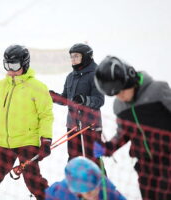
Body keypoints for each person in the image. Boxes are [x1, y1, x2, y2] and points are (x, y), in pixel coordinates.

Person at [0, 44, 54, 200]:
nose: (10, 69)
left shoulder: (38, 88)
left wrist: (46, 139)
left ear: (24, 64)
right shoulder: (0, 87)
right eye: (7, 64)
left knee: (34, 183)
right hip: (2, 142)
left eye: (14, 65)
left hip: (27, 142)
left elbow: (46, 116)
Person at [94, 55, 171, 200]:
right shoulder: (119, 106)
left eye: (121, 91)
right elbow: (124, 133)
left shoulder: (158, 91)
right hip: (145, 166)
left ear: (130, 80)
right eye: (115, 94)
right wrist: (109, 147)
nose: (120, 96)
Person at [49, 43, 104, 165]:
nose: (73, 59)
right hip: (73, 126)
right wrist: (53, 97)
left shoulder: (95, 74)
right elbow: (65, 99)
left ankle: (101, 184)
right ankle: (76, 184)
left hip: (90, 126)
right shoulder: (70, 77)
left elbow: (99, 100)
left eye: (76, 56)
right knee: (73, 160)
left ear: (85, 57)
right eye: (71, 56)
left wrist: (84, 100)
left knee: (93, 162)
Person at [45, 156, 126, 200]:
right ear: (77, 191)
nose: (95, 195)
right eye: (89, 192)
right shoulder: (60, 194)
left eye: (96, 188)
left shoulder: (103, 184)